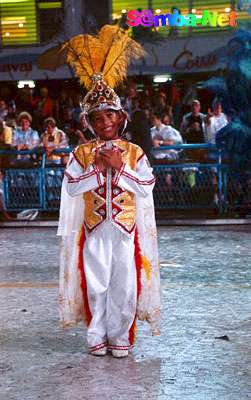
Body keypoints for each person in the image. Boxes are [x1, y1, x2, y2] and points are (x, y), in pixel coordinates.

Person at [57, 25, 160, 359]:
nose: (104, 123)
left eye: (110, 116)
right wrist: (98, 168)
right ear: (89, 122)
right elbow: (72, 187)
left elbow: (146, 188)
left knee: (125, 285)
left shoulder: (133, 152)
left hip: (125, 231)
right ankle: (96, 334)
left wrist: (121, 166)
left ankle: (120, 335)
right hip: (94, 229)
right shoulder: (82, 154)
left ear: (120, 117)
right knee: (96, 284)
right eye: (97, 118)